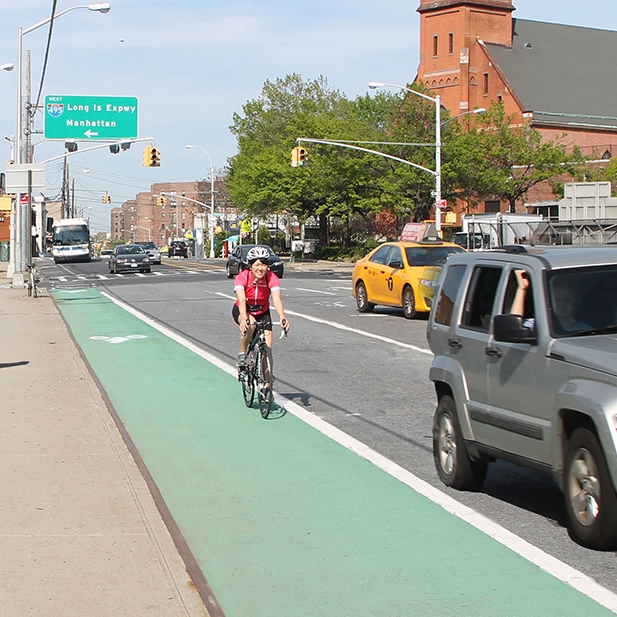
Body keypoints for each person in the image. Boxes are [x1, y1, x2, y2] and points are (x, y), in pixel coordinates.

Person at [233, 246, 290, 369]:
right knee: (251, 324)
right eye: (257, 265)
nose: (260, 268)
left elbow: (276, 299)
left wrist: (282, 317)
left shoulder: (271, 277)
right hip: (245, 309)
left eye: (263, 264)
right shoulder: (242, 277)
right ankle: (242, 353)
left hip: (262, 311)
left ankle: (267, 384)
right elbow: (242, 299)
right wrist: (244, 318)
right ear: (250, 266)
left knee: (267, 351)